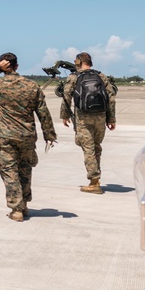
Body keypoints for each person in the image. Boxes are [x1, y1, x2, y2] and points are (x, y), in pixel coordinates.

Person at [0, 53, 58, 222]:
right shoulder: (31, 85)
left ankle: (16, 209)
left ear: (4, 64)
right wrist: (49, 134)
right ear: (17, 66)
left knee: (9, 171)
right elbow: (43, 112)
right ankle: (24, 205)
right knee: (25, 170)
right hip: (26, 136)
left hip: (4, 135)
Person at [59, 52, 117, 194]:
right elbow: (111, 98)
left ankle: (94, 181)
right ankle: (96, 177)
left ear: (79, 62)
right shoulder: (101, 76)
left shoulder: (74, 77)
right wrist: (111, 118)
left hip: (83, 118)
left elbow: (66, 97)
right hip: (100, 117)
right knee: (96, 147)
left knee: (88, 148)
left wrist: (64, 115)